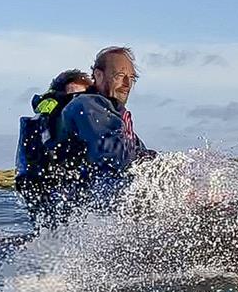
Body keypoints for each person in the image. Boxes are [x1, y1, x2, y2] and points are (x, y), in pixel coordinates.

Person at [57, 46, 154, 211]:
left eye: (132, 78)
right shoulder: (87, 106)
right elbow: (116, 157)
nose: (127, 84)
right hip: (79, 210)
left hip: (99, 206)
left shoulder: (115, 116)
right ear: (98, 75)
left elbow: (140, 153)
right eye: (120, 76)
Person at [15, 69, 94, 227]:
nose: (78, 105)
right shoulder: (45, 125)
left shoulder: (90, 125)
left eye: (82, 99)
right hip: (47, 193)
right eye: (73, 98)